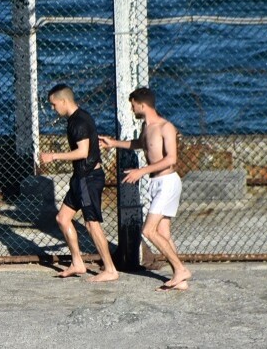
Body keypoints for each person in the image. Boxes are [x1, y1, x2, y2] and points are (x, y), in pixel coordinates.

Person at [100, 87, 191, 291]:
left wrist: (141, 171)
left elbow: (171, 159)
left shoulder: (165, 126)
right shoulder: (146, 127)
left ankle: (180, 269)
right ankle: (180, 278)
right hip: (157, 183)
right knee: (163, 233)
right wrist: (112, 143)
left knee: (149, 231)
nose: (131, 109)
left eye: (132, 104)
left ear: (141, 104)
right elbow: (140, 144)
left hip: (168, 182)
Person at [40, 84, 119, 282]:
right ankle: (77, 262)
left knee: (92, 224)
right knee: (62, 218)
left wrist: (54, 156)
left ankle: (110, 269)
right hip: (80, 177)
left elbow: (83, 152)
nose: (53, 108)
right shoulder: (78, 118)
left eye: (53, 104)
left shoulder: (79, 122)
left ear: (64, 101)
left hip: (88, 179)